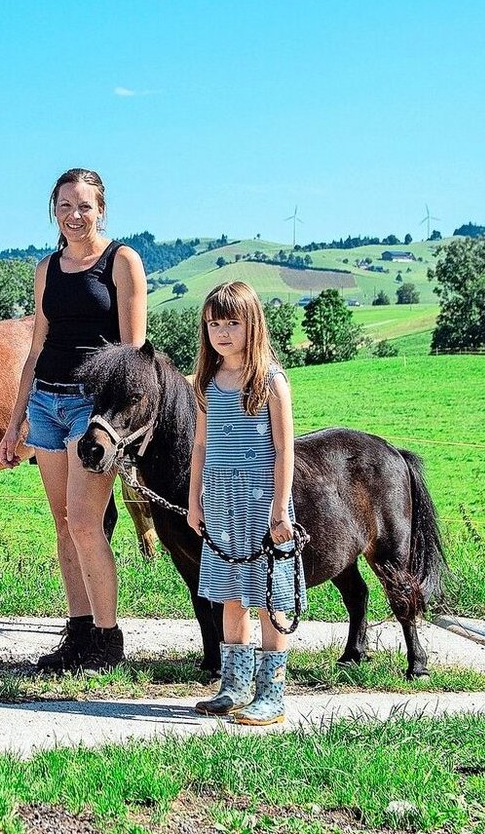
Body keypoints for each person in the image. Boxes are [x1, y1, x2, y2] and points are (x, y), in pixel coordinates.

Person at [0, 168, 148, 674]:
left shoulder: (122, 261)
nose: (74, 215)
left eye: (84, 206)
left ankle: (108, 639)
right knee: (64, 524)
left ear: (101, 209)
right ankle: (79, 633)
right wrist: (15, 421)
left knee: (85, 523)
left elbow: (132, 353)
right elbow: (36, 347)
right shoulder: (47, 268)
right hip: (45, 404)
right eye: (65, 206)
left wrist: (113, 420)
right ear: (54, 211)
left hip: (93, 408)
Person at [188, 280, 303, 726]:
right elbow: (201, 446)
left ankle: (271, 694)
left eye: (232, 323)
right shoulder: (207, 382)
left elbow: (285, 449)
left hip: (262, 501)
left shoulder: (271, 381)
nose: (222, 332)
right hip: (221, 501)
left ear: (252, 324)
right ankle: (234, 687)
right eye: (214, 323)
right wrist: (195, 500)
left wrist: (279, 507)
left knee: (270, 596)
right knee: (231, 595)